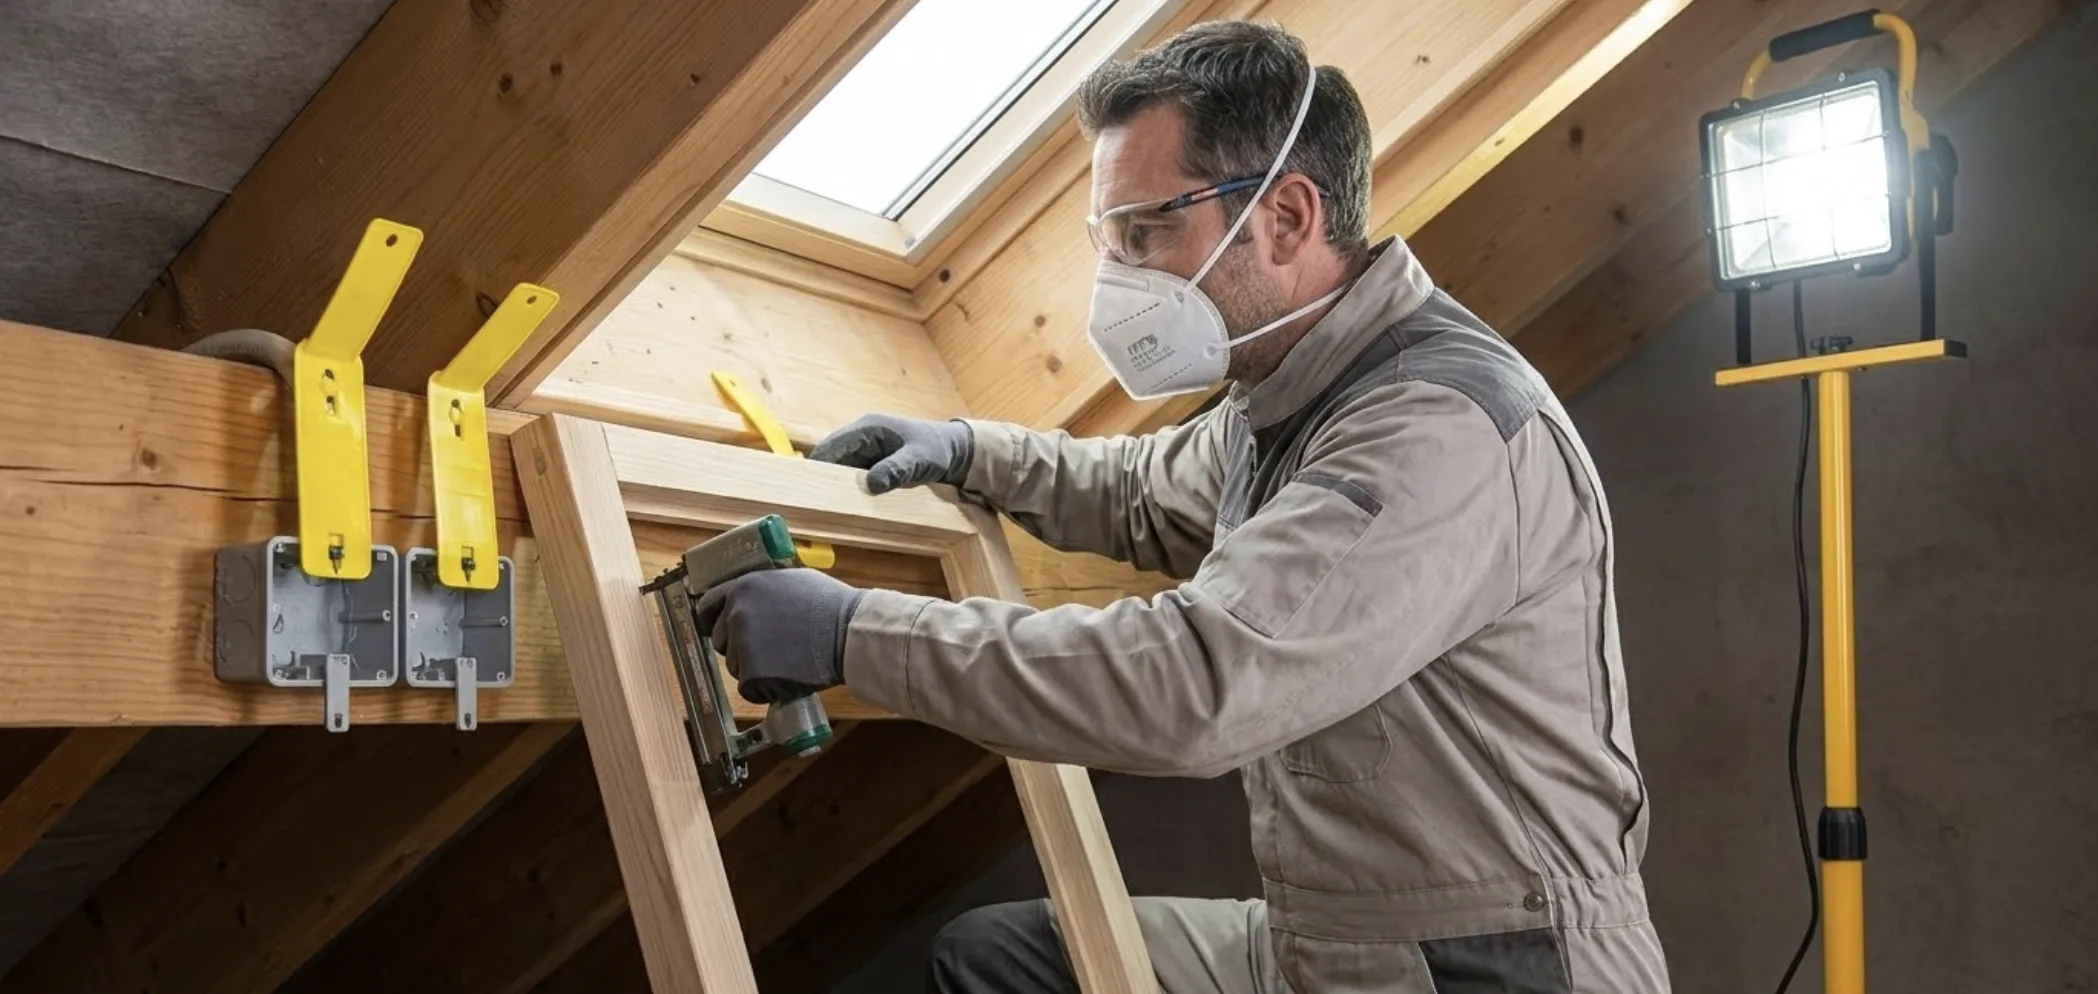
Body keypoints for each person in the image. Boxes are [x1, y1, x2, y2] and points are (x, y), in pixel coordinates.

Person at [695, 20, 1670, 994]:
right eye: (1110, 241)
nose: (1120, 279)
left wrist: (855, 634)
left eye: (1145, 233)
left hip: (1488, 958)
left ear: (1286, 217)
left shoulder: (1434, 427)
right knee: (1003, 959)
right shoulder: (1287, 393)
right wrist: (967, 449)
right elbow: (1138, 490)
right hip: (1324, 939)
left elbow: (1198, 683)